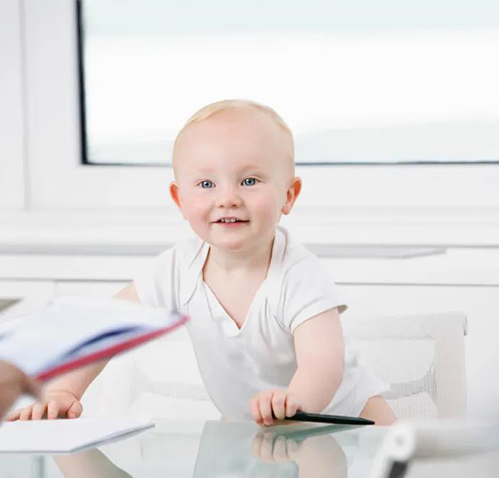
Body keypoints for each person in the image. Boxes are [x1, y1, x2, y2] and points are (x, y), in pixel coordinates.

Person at [7, 99, 396, 425]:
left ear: (289, 195)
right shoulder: (179, 268)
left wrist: (293, 403)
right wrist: (63, 391)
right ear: (180, 200)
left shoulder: (298, 274)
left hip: (344, 421)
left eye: (249, 181)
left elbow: (323, 365)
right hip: (257, 426)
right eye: (207, 184)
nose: (227, 199)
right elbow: (108, 326)